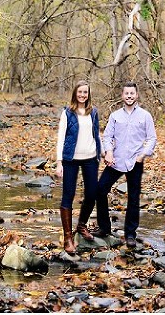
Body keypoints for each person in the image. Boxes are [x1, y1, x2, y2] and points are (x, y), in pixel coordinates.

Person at [93, 81, 157, 248]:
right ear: (122, 96)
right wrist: (109, 152)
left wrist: (143, 155)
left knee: (133, 198)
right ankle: (105, 228)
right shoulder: (115, 116)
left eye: (132, 93)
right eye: (126, 93)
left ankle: (130, 234)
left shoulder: (145, 116)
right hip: (116, 160)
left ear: (136, 95)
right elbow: (107, 137)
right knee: (100, 190)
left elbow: (152, 138)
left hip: (135, 161)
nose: (129, 96)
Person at [54, 80, 101, 254]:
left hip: (90, 158)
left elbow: (96, 134)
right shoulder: (67, 113)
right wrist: (59, 162)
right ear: (75, 93)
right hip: (70, 160)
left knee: (91, 194)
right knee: (68, 195)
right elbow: (61, 138)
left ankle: (81, 225)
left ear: (89, 94)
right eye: (80, 92)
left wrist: (101, 153)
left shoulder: (93, 112)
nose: (82, 95)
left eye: (85, 92)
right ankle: (68, 237)